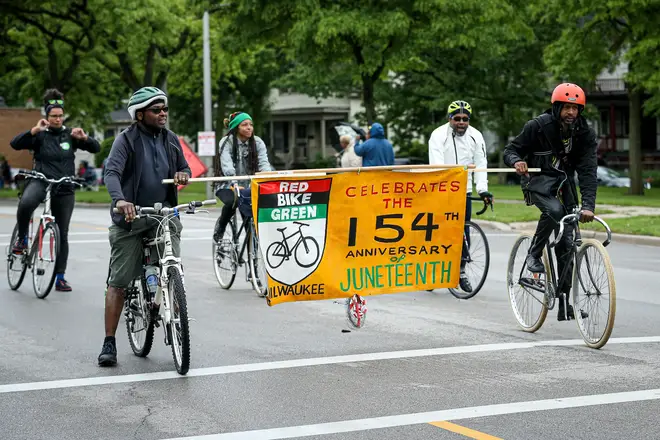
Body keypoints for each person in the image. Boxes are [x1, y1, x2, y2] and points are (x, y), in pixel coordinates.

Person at [98, 86, 191, 366]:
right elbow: (111, 173)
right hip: (131, 218)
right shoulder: (125, 141)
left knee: (172, 264)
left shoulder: (171, 139)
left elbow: (185, 168)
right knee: (119, 282)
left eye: (165, 109)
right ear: (140, 114)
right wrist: (121, 200)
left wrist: (182, 175)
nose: (163, 114)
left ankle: (173, 298)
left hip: (163, 215)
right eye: (156, 110)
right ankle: (109, 342)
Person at [504, 83, 597, 321]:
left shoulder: (584, 133)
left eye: (576, 109)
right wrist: (516, 161)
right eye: (566, 107)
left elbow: (587, 171)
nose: (571, 113)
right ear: (556, 108)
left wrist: (588, 205)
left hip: (564, 185)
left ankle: (565, 303)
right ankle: (534, 254)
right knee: (554, 211)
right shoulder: (537, 126)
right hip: (538, 182)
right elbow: (511, 150)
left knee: (567, 242)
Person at [9, 88, 101, 292]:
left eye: (60, 116)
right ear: (47, 116)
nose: (58, 119)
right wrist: (33, 131)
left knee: (63, 233)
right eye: (54, 116)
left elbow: (97, 149)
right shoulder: (40, 135)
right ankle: (22, 238)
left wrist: (85, 138)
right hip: (41, 180)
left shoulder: (71, 135)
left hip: (64, 185)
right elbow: (15, 143)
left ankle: (60, 277)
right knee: (26, 203)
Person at [428, 100, 493, 293]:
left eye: (465, 119)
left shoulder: (476, 136)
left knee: (463, 231)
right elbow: (437, 165)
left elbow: (481, 164)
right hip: (442, 189)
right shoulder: (438, 135)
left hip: (464, 190)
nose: (462, 122)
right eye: (457, 119)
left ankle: (461, 270)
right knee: (440, 232)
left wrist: (482, 190)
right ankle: (433, 270)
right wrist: (445, 188)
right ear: (450, 119)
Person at [212, 111, 273, 243]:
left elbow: (264, 164)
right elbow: (226, 164)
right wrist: (233, 183)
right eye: (244, 125)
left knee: (250, 209)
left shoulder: (258, 143)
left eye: (251, 124)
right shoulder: (226, 142)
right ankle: (221, 227)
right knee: (232, 201)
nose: (249, 127)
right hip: (227, 184)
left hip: (250, 185)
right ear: (236, 128)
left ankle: (251, 242)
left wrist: (267, 179)